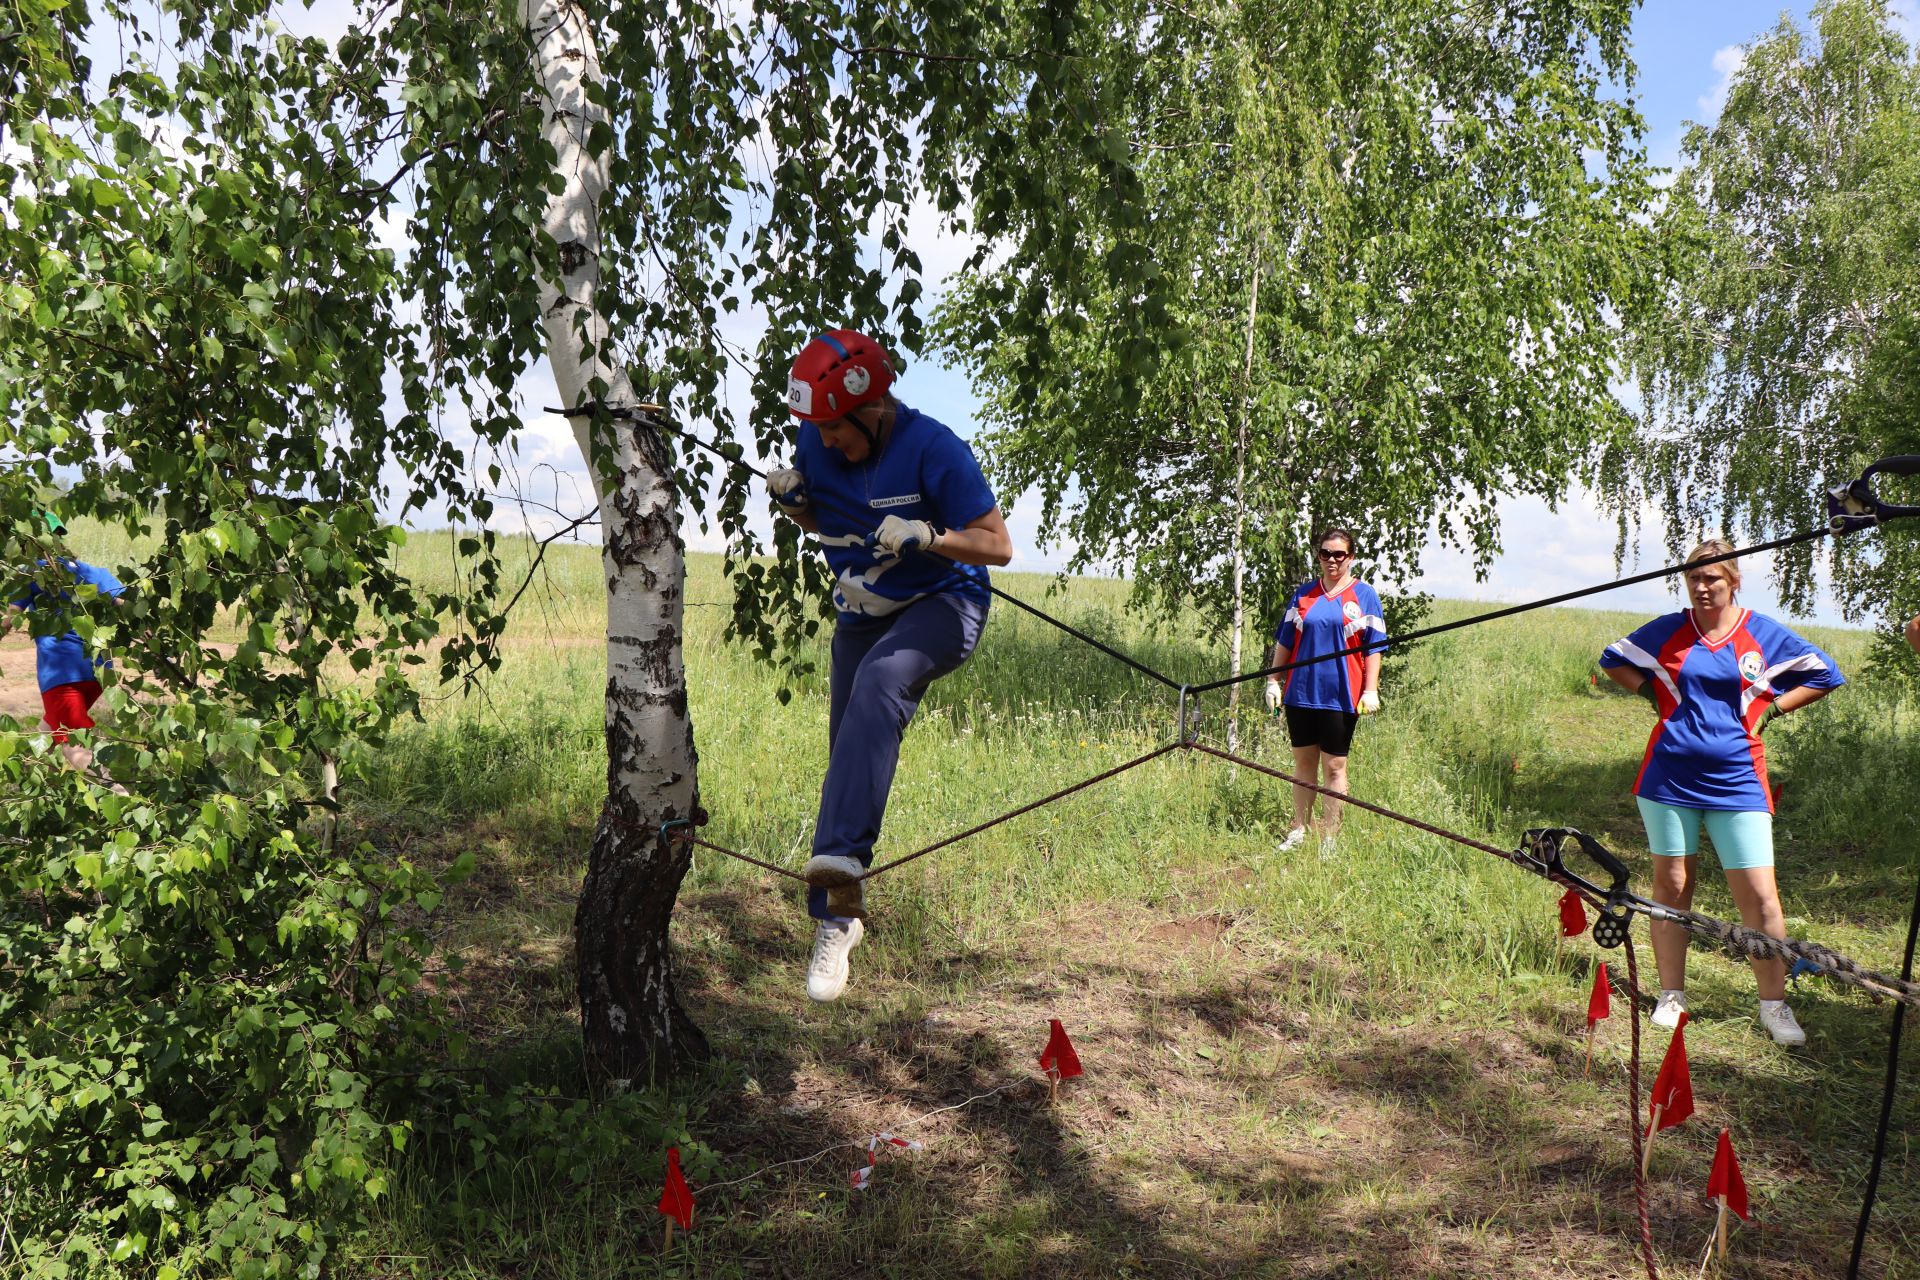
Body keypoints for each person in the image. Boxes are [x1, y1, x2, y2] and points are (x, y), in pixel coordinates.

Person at [767, 329, 1013, 1002]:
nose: (824, 445)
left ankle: (841, 878)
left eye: (836, 431)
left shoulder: (934, 448)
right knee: (848, 750)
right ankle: (838, 922)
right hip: (862, 612)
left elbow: (999, 544)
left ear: (873, 410)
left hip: (943, 603)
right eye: (814, 433)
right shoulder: (816, 438)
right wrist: (798, 506)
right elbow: (824, 519)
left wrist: (932, 536)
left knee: (882, 681)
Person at [1600, 539, 1844, 1047]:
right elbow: (1613, 659)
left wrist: (1770, 710)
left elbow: (1825, 674)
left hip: (1739, 780)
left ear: (1733, 580)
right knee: (1671, 886)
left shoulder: (1760, 633)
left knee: (1759, 897)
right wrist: (1655, 695)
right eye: (1694, 578)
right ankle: (1671, 995)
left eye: (1712, 578)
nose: (1702, 587)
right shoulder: (1670, 630)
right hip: (1668, 779)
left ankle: (1774, 1005)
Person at [1263, 527, 1387, 854]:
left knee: (1334, 768)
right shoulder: (1304, 595)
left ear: (1351, 557)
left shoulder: (1365, 596)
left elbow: (1374, 649)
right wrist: (1273, 681)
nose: (1332, 560)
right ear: (1318, 556)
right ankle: (1299, 830)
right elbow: (1285, 642)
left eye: (1339, 554)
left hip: (1342, 695)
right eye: (1325, 554)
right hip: (1301, 693)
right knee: (1304, 764)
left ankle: (1329, 838)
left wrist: (1370, 690)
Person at [3, 524, 127, 782]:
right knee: (45, 736)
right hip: (98, 675)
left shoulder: (33, 574)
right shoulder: (91, 572)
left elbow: (8, 620)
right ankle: (39, 796)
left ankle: (124, 802)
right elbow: (131, 610)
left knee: (76, 747)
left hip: (61, 676)